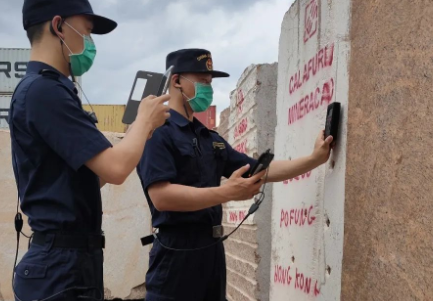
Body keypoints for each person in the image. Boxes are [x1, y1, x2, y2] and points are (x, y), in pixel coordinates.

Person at [9, 0, 170, 301]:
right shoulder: (45, 92)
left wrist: (138, 136)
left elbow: (90, 177)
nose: (90, 42)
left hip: (69, 263)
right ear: (58, 26)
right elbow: (116, 169)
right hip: (59, 267)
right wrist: (143, 121)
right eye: (86, 31)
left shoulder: (51, 91)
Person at [136, 48, 333, 301]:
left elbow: (261, 171)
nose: (208, 89)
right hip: (176, 253)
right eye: (202, 82)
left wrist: (314, 159)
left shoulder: (210, 139)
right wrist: (227, 192)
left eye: (210, 83)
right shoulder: (157, 132)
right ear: (176, 81)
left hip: (212, 252)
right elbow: (161, 196)